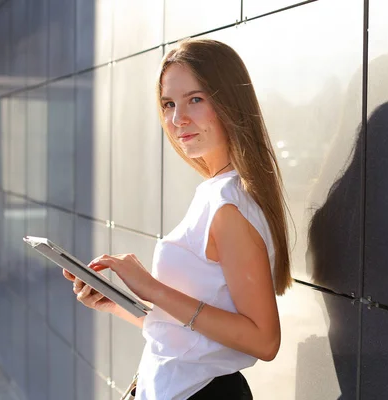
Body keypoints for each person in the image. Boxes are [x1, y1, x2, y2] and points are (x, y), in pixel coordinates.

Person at [63, 39, 292, 400]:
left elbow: (264, 340)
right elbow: (193, 335)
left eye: (195, 99)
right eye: (169, 104)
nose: (177, 118)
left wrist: (151, 287)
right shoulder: (214, 191)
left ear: (230, 102)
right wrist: (120, 305)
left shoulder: (229, 205)